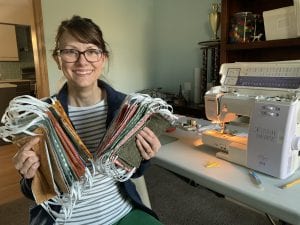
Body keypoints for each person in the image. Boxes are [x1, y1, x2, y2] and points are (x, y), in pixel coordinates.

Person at [12, 15, 163, 225]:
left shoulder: (126, 109)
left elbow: (133, 172)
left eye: (92, 51)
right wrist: (29, 175)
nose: (82, 60)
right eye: (71, 51)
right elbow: (32, 190)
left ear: (103, 58)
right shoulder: (42, 116)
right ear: (58, 59)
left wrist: (145, 156)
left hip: (121, 213)